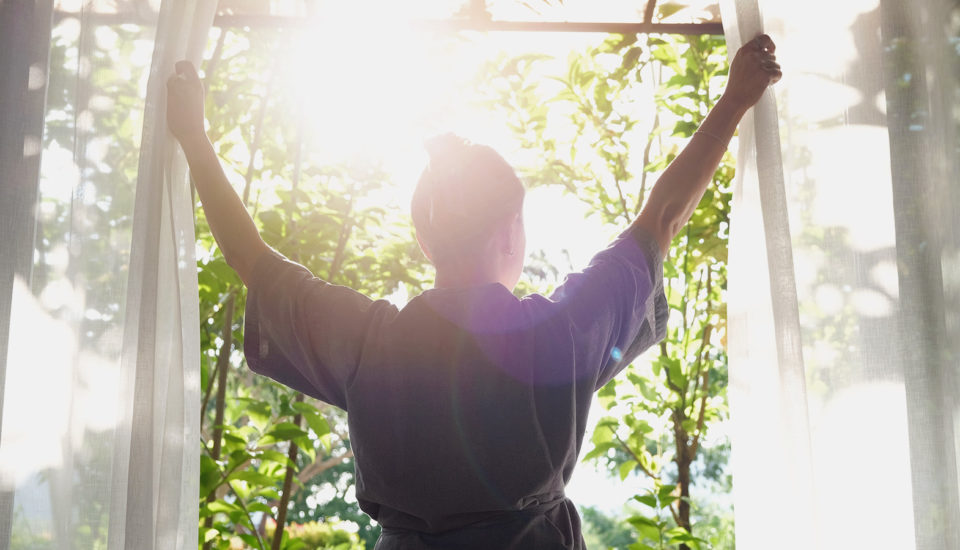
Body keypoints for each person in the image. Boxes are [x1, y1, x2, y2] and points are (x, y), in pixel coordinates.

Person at [167, 34, 780, 550]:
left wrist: (195, 137)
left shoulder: (368, 344)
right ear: (512, 231)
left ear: (424, 240)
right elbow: (662, 218)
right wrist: (733, 101)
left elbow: (252, 259)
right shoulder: (561, 333)